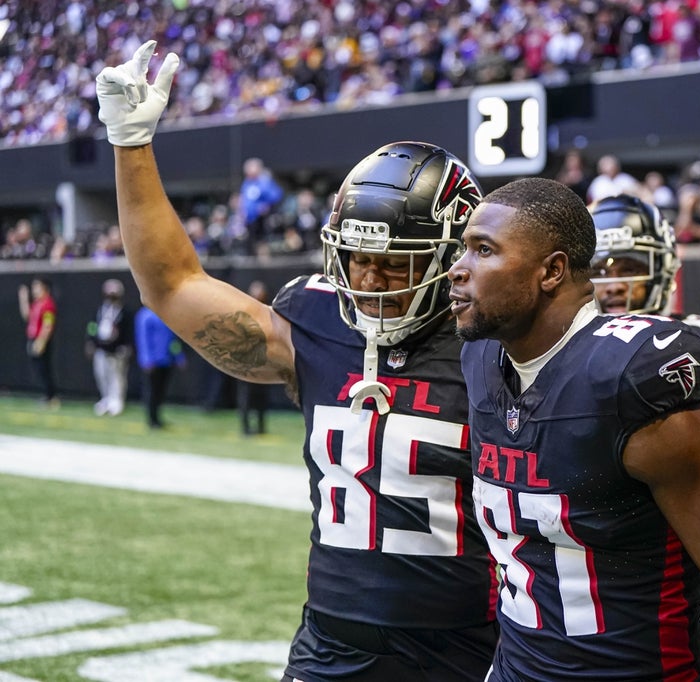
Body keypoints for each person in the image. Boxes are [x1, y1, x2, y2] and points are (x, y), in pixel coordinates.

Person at [96, 41, 497, 681]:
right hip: (330, 645)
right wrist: (130, 144)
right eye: (357, 257)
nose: (370, 279)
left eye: (397, 260)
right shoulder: (315, 322)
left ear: (456, 256)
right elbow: (171, 285)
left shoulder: (499, 345)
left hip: (470, 649)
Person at [447, 176, 700, 680]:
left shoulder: (630, 378)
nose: (459, 269)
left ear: (552, 271)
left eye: (484, 250)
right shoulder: (480, 359)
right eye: (465, 249)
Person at [588, 193, 700, 681]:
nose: (612, 282)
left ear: (663, 266)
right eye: (599, 266)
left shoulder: (699, 346)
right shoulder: (548, 354)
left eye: (627, 264)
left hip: (678, 580)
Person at [86, 278, 134, 416]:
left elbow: (129, 330)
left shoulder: (125, 312)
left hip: (117, 349)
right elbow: (92, 326)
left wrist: (127, 346)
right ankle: (105, 399)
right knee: (101, 375)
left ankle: (117, 401)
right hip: (100, 348)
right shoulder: (100, 309)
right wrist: (90, 340)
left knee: (117, 376)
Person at [134, 305, 186, 429]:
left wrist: (179, 356)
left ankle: (157, 417)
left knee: (160, 391)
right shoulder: (145, 315)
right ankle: (152, 419)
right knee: (151, 391)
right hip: (153, 362)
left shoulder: (166, 315)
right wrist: (147, 360)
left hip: (166, 360)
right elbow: (143, 339)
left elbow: (173, 339)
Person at [17, 276, 58, 406]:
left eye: (37, 287)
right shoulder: (36, 304)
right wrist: (23, 299)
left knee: (44, 369)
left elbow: (48, 324)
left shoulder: (48, 304)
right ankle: (47, 395)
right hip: (33, 338)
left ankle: (51, 396)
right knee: (39, 370)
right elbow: (27, 316)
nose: (34, 290)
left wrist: (41, 341)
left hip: (41, 340)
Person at [237, 280, 271, 436]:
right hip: (247, 362)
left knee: (261, 396)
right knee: (246, 396)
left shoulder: (268, 313)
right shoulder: (244, 313)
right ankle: (245, 428)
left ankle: (261, 426)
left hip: (263, 362)